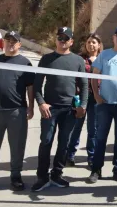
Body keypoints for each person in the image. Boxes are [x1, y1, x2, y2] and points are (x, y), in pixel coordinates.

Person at [32, 27, 88, 192]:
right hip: (50, 109)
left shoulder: (78, 61)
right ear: (56, 40)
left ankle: (57, 174)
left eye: (66, 38)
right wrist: (41, 103)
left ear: (71, 41)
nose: (62, 41)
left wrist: (82, 105)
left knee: (64, 143)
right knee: (46, 141)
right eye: (60, 38)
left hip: (69, 109)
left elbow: (84, 85)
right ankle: (42, 177)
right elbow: (37, 85)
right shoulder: (47, 59)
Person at [0, 31, 35, 192]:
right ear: (4, 43)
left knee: (17, 147)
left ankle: (16, 177)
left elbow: (30, 87)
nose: (10, 44)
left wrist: (30, 107)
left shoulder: (25, 64)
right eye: (8, 40)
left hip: (16, 111)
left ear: (19, 45)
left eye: (14, 41)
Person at [86, 26, 117, 184]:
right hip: (105, 104)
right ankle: (96, 169)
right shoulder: (104, 55)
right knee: (100, 137)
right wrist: (97, 95)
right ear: (113, 38)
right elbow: (94, 76)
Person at [66, 32, 102, 168]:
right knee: (76, 127)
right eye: (89, 42)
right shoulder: (79, 59)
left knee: (93, 129)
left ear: (99, 45)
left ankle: (91, 156)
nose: (91, 45)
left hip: (96, 97)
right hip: (80, 97)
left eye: (94, 42)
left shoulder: (102, 58)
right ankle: (70, 154)